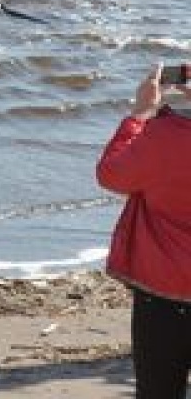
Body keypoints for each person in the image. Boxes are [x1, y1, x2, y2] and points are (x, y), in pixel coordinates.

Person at [97, 62, 191, 398]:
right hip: (163, 290)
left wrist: (141, 113)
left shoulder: (164, 136)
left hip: (163, 290)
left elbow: (111, 174)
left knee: (159, 389)